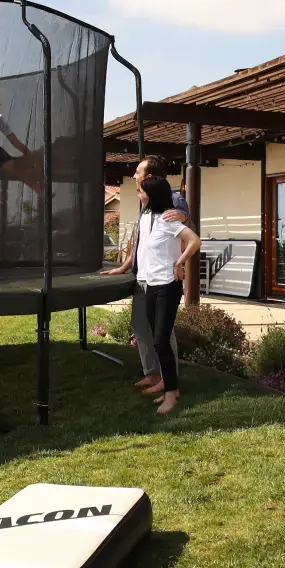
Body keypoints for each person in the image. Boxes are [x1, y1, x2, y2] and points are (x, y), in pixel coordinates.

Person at [102, 173, 197, 416]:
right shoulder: (145, 218)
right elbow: (140, 249)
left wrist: (180, 263)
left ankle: (170, 394)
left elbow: (194, 241)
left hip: (168, 285)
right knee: (156, 337)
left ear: (151, 195)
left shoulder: (168, 220)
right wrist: (125, 267)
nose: (138, 194)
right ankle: (171, 389)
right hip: (150, 285)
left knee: (160, 340)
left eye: (141, 191)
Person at [125, 155, 189, 381]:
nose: (134, 176)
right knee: (141, 325)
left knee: (162, 331)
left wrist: (180, 262)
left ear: (149, 176)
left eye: (138, 172)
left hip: (162, 278)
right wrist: (125, 266)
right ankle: (152, 373)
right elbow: (141, 241)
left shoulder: (172, 199)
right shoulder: (145, 202)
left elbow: (182, 221)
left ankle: (167, 378)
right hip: (142, 276)